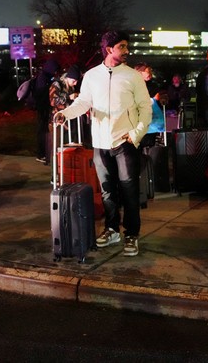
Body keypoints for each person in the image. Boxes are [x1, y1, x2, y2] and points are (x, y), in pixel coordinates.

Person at [55, 31, 152, 257]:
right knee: (108, 191)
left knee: (129, 190)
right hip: (100, 143)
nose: (127, 51)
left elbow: (145, 108)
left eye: (127, 46)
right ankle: (111, 229)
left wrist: (136, 134)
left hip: (125, 141)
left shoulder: (133, 76)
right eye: (122, 46)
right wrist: (65, 113)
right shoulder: (91, 75)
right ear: (109, 49)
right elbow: (83, 102)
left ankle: (131, 234)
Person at [134, 63, 168, 147]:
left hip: (153, 123)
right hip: (140, 123)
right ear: (139, 72)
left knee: (151, 145)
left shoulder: (153, 85)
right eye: (147, 71)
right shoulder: (134, 85)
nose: (150, 73)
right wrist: (154, 99)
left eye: (150, 71)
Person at [34, 58, 60, 164]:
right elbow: (43, 94)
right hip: (42, 109)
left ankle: (42, 153)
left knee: (43, 130)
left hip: (43, 108)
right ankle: (41, 154)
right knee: (42, 131)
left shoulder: (44, 77)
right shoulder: (43, 78)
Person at [49, 64, 81, 143]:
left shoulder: (71, 86)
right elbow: (53, 101)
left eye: (76, 81)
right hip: (58, 119)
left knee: (70, 141)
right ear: (68, 77)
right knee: (59, 144)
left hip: (69, 118)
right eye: (74, 81)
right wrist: (68, 97)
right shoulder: (57, 84)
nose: (75, 83)